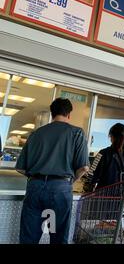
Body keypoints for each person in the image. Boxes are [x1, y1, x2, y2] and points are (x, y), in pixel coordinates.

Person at [15, 98, 89, 244]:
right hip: (60, 189)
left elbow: (20, 168)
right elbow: (84, 167)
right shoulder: (76, 133)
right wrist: (69, 182)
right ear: (69, 114)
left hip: (35, 187)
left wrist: (37, 178)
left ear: (52, 113)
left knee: (28, 238)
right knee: (58, 237)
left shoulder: (36, 134)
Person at [90, 123, 124, 190]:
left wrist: (88, 188)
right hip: (123, 195)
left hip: (104, 195)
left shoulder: (102, 153)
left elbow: (91, 174)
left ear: (111, 136)